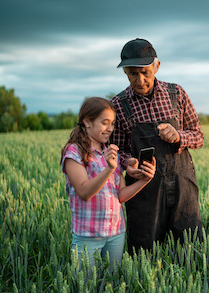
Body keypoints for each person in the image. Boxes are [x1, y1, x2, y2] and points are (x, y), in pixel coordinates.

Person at [111, 38, 204, 253]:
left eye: (145, 72)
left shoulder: (177, 94)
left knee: (189, 248)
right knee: (144, 250)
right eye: (133, 73)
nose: (140, 80)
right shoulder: (118, 104)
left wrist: (179, 136)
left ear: (157, 66)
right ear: (125, 72)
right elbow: (118, 150)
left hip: (182, 184)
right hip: (144, 188)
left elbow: (198, 136)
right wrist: (129, 163)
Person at [60, 97, 156, 269]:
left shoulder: (111, 153)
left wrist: (145, 180)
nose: (110, 129)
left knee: (114, 283)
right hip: (88, 235)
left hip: (116, 233)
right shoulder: (74, 152)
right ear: (87, 122)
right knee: (85, 285)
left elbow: (120, 196)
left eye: (112, 123)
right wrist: (109, 169)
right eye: (105, 123)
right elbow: (84, 191)